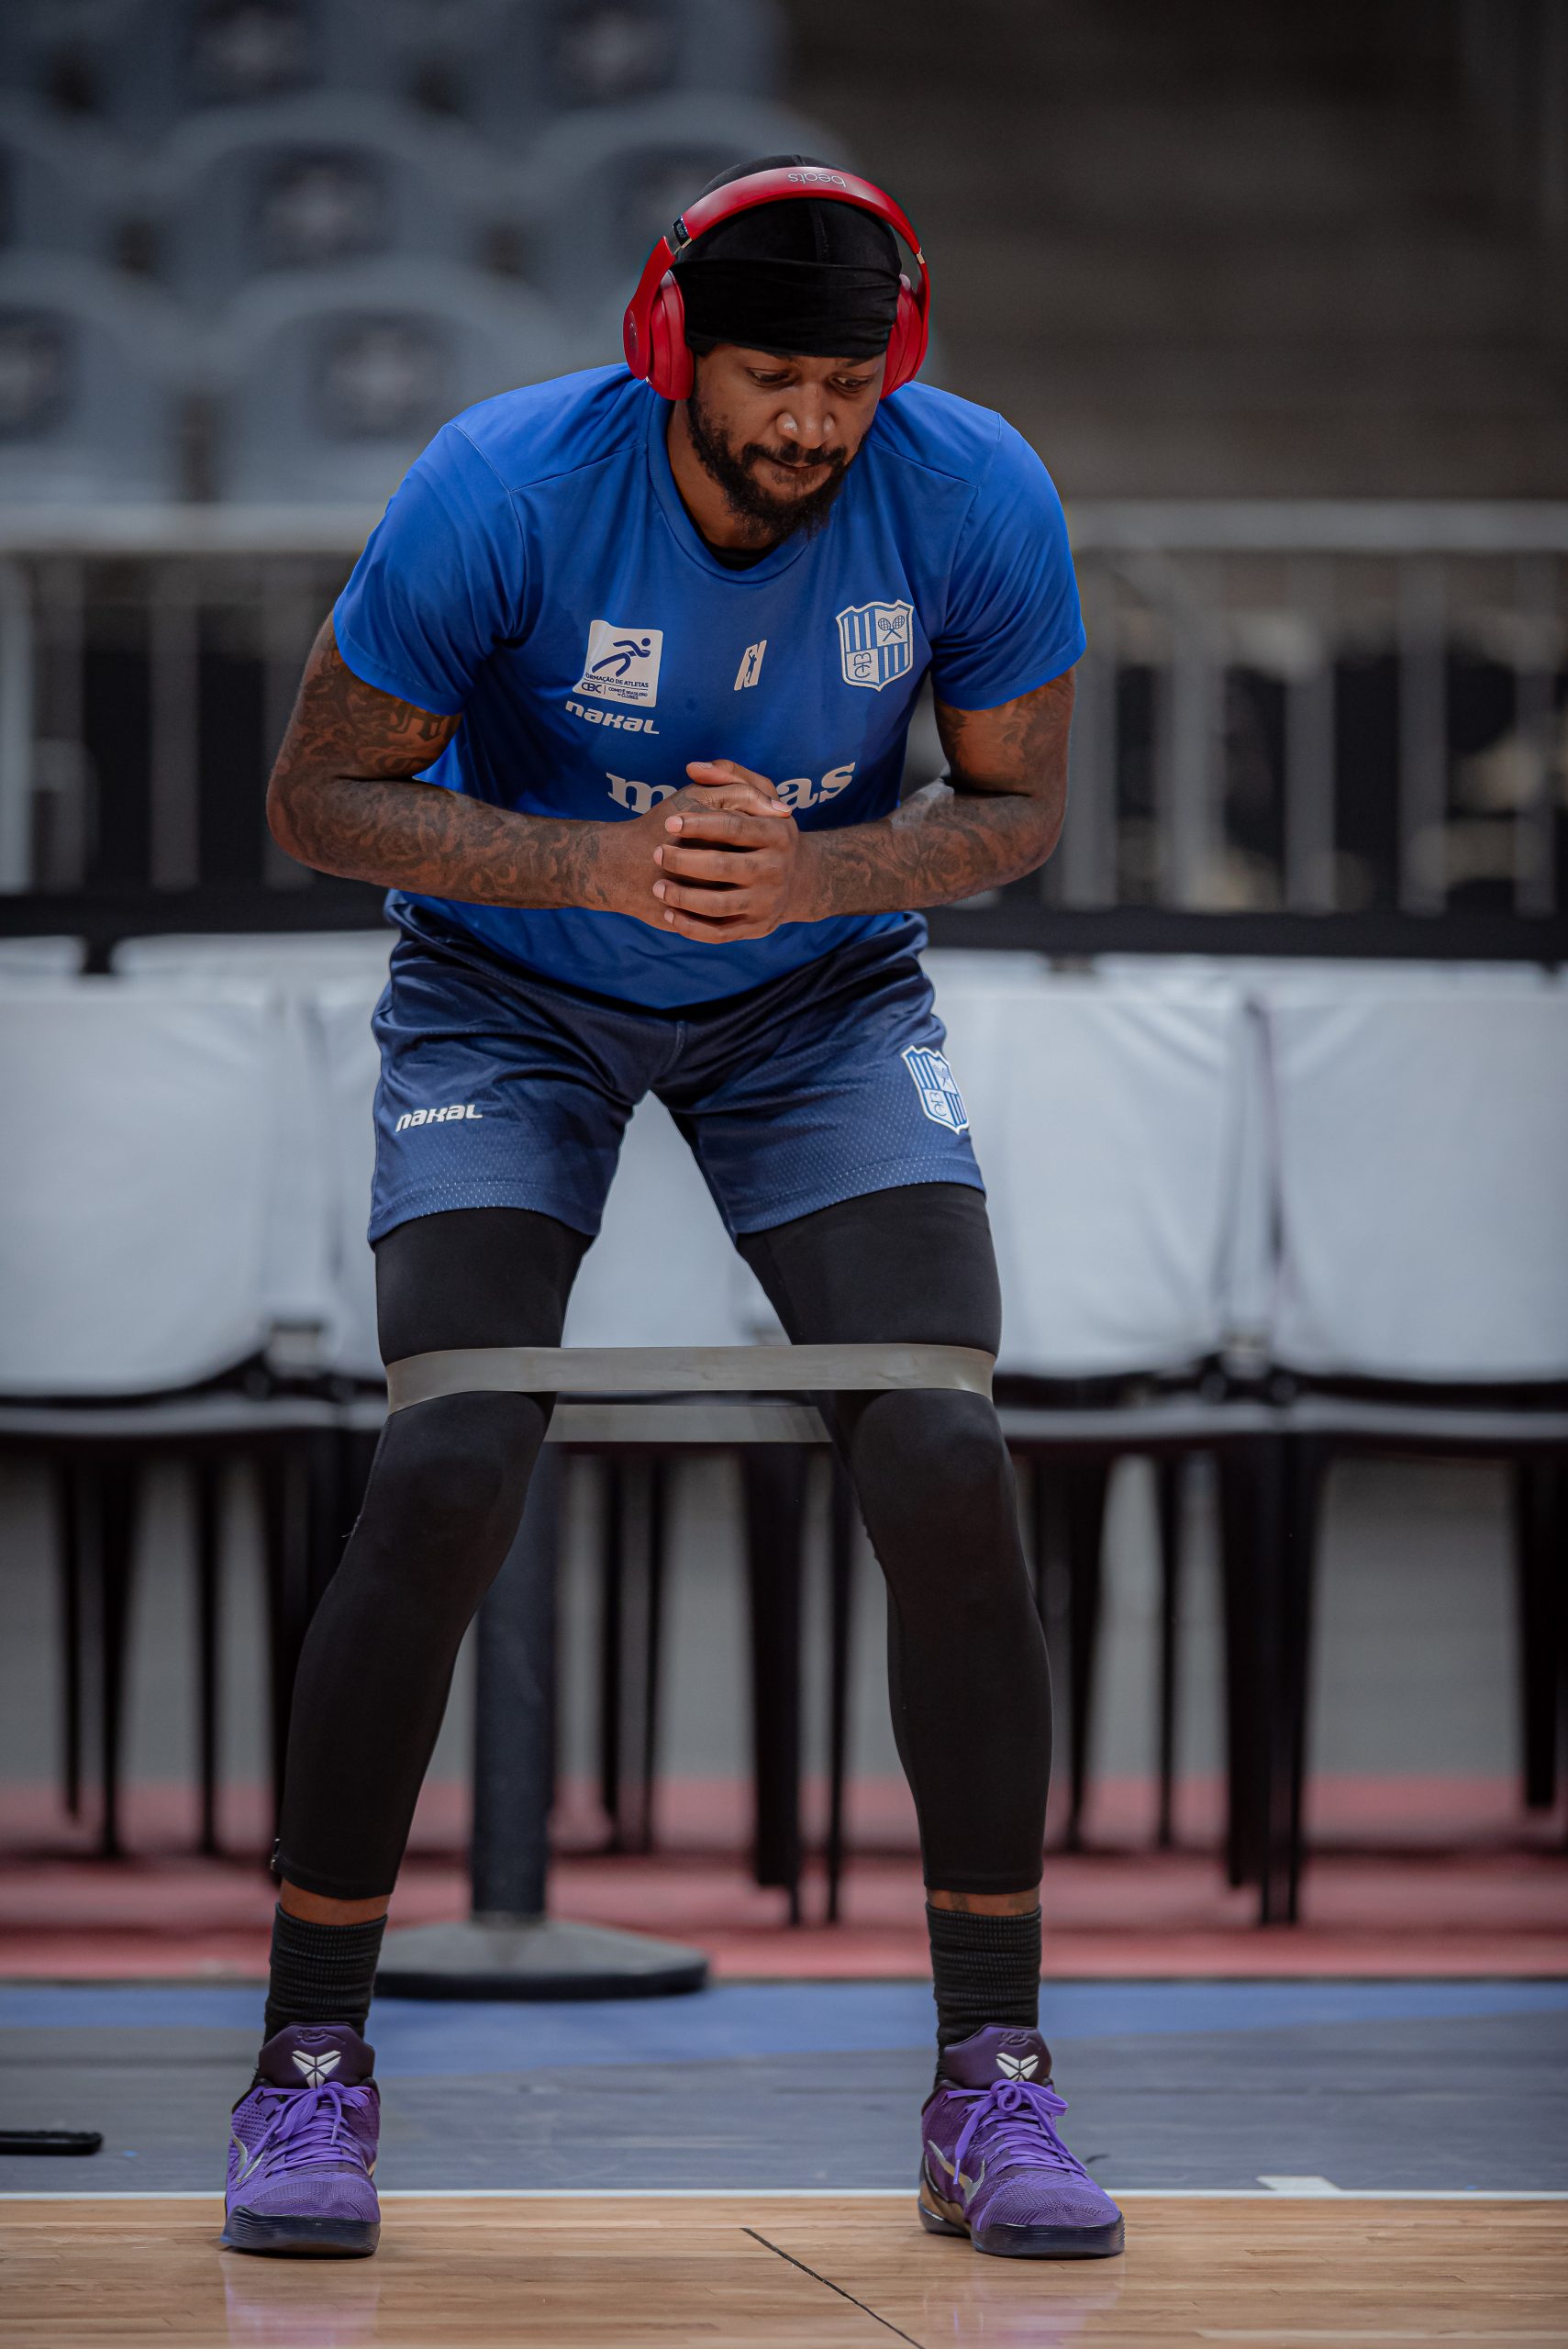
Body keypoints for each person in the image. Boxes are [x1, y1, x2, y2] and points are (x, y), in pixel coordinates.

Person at [222, 156, 1123, 2266]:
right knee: (449, 1450)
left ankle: (993, 2075)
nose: (809, 423)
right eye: (769, 380)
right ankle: (307, 2060)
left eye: (847, 385)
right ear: (670, 347)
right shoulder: (505, 485)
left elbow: (1013, 808)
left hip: (816, 996)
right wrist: (585, 862)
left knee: (946, 1445)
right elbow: (317, 795)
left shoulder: (975, 489)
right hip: (508, 991)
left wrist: (823, 872)